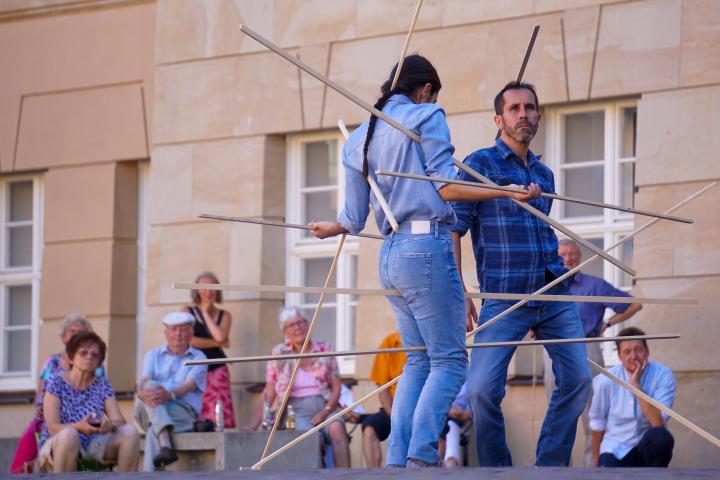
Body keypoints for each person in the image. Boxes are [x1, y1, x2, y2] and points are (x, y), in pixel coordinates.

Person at [310, 55, 538, 467]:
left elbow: (354, 218)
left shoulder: (359, 137)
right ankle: (419, 460)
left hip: (391, 253)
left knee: (417, 362)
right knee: (450, 363)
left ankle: (397, 462)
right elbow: (445, 186)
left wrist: (334, 227)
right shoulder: (427, 115)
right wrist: (507, 191)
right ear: (427, 89)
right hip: (426, 248)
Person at [451, 81, 591, 466]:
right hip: (504, 297)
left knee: (578, 381)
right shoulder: (478, 166)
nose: (523, 114)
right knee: (480, 390)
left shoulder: (545, 174)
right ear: (499, 119)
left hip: (553, 293)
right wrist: (459, 288)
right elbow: (453, 228)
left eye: (530, 108)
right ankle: (497, 471)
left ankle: (549, 469)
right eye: (514, 108)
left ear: (539, 117)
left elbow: (542, 231)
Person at [544, 238, 643, 465]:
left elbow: (635, 304)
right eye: (563, 255)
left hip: (586, 347)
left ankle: (593, 469)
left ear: (579, 257)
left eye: (572, 254)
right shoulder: (546, 284)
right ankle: (555, 469)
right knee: (556, 413)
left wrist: (608, 324)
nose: (568, 259)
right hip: (553, 349)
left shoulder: (595, 285)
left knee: (593, 412)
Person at [11, 313, 102, 473]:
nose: (77, 335)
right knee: (30, 437)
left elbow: (99, 395)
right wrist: (40, 408)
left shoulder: (94, 362)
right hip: (47, 416)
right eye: (72, 331)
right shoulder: (52, 361)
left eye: (81, 332)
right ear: (63, 337)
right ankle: (23, 471)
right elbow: (41, 392)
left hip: (83, 417)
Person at [37, 332, 139, 472]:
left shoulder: (103, 384)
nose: (89, 356)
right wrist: (79, 427)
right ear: (71, 358)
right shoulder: (56, 382)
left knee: (130, 432)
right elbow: (52, 427)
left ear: (99, 362)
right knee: (70, 435)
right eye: (83, 353)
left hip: (94, 442)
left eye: (95, 355)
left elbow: (119, 420)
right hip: (58, 442)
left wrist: (110, 424)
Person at [263, 307, 350, 468]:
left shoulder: (325, 349)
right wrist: (261, 418)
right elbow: (270, 390)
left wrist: (326, 411)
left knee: (338, 429)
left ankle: (346, 476)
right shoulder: (278, 353)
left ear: (308, 324)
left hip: (326, 405)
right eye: (292, 325)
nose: (298, 328)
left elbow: (336, 387)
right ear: (284, 331)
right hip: (296, 410)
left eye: (301, 322)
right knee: (308, 438)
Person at [589, 327, 675, 467]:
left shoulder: (663, 375)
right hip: (615, 448)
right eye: (627, 352)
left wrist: (636, 384)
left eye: (638, 349)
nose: (633, 356)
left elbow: (658, 423)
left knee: (661, 438)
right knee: (607, 469)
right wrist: (596, 461)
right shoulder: (606, 380)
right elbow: (597, 421)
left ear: (647, 352)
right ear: (619, 356)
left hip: (646, 447)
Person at [134, 311, 207, 471]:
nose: (178, 334)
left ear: (191, 333)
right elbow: (144, 382)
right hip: (147, 411)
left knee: (155, 429)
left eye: (184, 329)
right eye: (174, 329)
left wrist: (169, 395)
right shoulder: (152, 355)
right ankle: (165, 441)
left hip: (182, 413)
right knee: (151, 385)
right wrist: (142, 393)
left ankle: (162, 443)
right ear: (166, 333)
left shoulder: (199, 357)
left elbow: (188, 386)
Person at [182, 271, 235, 429]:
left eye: (212, 287)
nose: (208, 291)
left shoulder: (225, 315)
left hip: (217, 367)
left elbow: (220, 337)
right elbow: (188, 340)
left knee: (220, 411)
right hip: (194, 368)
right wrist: (219, 343)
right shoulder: (187, 311)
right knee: (197, 409)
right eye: (203, 287)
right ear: (196, 290)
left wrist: (205, 313)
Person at [361, 331, 406, 467]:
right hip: (394, 409)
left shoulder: (431, 338)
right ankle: (374, 474)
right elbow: (382, 387)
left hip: (423, 409)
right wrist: (394, 415)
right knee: (369, 428)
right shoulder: (390, 343)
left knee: (439, 429)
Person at [440, 382, 471, 468]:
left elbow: (471, 412)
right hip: (439, 414)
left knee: (450, 425)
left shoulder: (469, 380)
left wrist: (462, 413)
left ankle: (449, 464)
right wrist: (446, 409)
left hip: (458, 417)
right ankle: (450, 464)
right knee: (442, 423)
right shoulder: (436, 375)